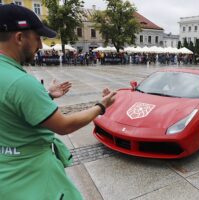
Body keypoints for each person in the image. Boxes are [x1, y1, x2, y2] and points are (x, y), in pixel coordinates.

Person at [0, 4, 116, 200]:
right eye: (37, 38)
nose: (41, 46)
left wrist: (47, 96)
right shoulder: (21, 82)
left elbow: (11, 108)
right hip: (32, 176)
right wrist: (101, 106)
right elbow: (64, 125)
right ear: (19, 38)